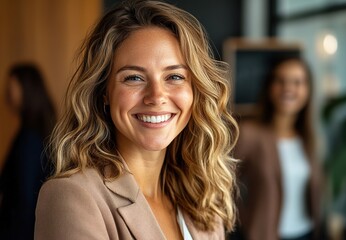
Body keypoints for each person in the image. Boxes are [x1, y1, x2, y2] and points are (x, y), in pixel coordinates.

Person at [34, 1, 238, 239]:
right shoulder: (72, 195)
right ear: (104, 93)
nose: (156, 96)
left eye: (174, 76)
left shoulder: (202, 200)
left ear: (195, 90)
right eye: (134, 78)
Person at [234, 57, 323, 240]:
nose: (288, 88)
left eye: (297, 82)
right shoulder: (250, 133)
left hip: (306, 233)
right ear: (270, 87)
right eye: (280, 81)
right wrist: (245, 221)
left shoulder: (308, 139)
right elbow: (222, 184)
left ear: (307, 90)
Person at [0, 63, 56, 240]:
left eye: (12, 86)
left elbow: (25, 198)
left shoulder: (30, 138)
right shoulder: (34, 131)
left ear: (27, 89)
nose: (7, 91)